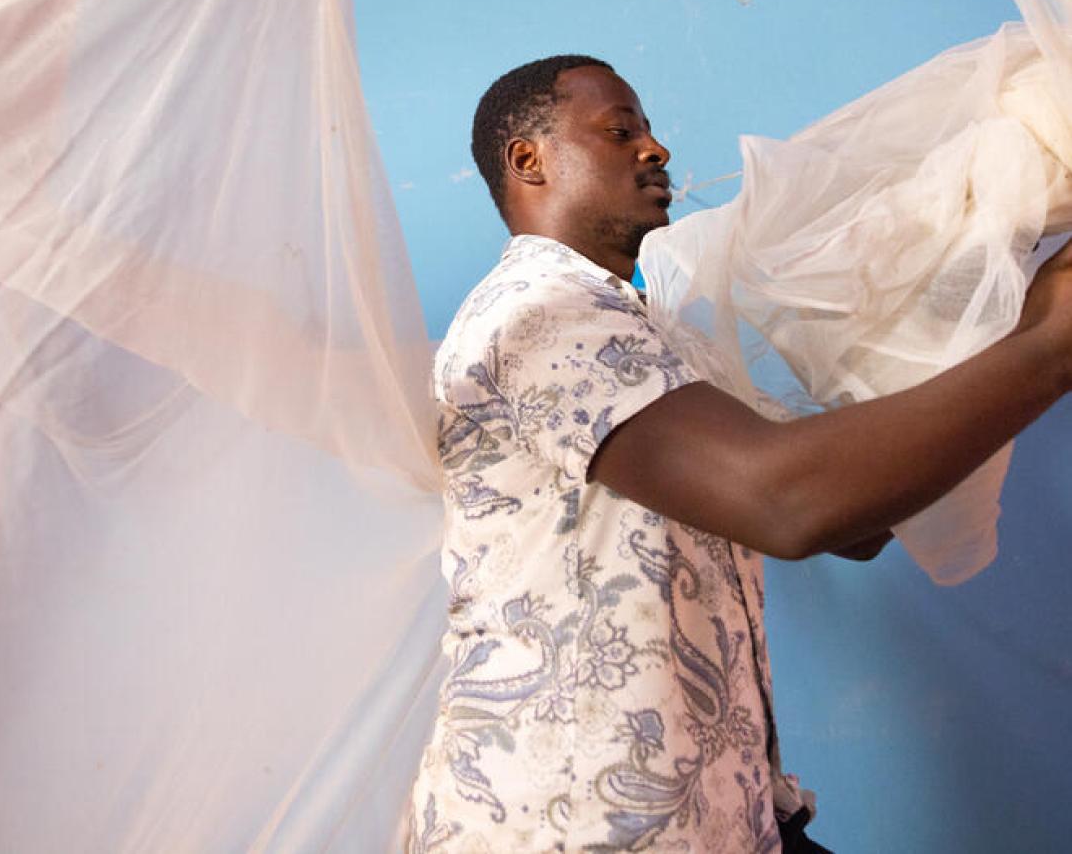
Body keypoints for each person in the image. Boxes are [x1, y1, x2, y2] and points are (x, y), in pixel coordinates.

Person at [406, 55, 1072, 854]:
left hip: (723, 815)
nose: (657, 150)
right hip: (574, 823)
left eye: (650, 132)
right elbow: (786, 503)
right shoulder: (536, 317)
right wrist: (1046, 347)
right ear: (528, 160)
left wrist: (984, 316)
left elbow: (852, 525)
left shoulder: (662, 340)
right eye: (622, 131)